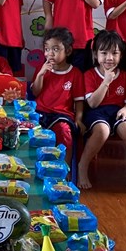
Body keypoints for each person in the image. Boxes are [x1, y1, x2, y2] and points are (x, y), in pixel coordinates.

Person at [77, 30, 126, 190]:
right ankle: (83, 166)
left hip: (117, 111)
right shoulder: (89, 75)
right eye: (104, 53)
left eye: (114, 53)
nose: (109, 58)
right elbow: (92, 103)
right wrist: (106, 82)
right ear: (95, 55)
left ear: (121, 55)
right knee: (102, 130)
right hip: (96, 113)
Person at [31, 27, 82, 174]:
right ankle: (36, 169)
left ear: (68, 51)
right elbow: (35, 92)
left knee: (64, 131)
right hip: (40, 112)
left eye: (55, 49)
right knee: (31, 132)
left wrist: (79, 119)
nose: (50, 53)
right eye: (47, 49)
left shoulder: (75, 73)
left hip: (61, 115)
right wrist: (40, 74)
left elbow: (79, 101)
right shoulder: (42, 69)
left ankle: (65, 172)